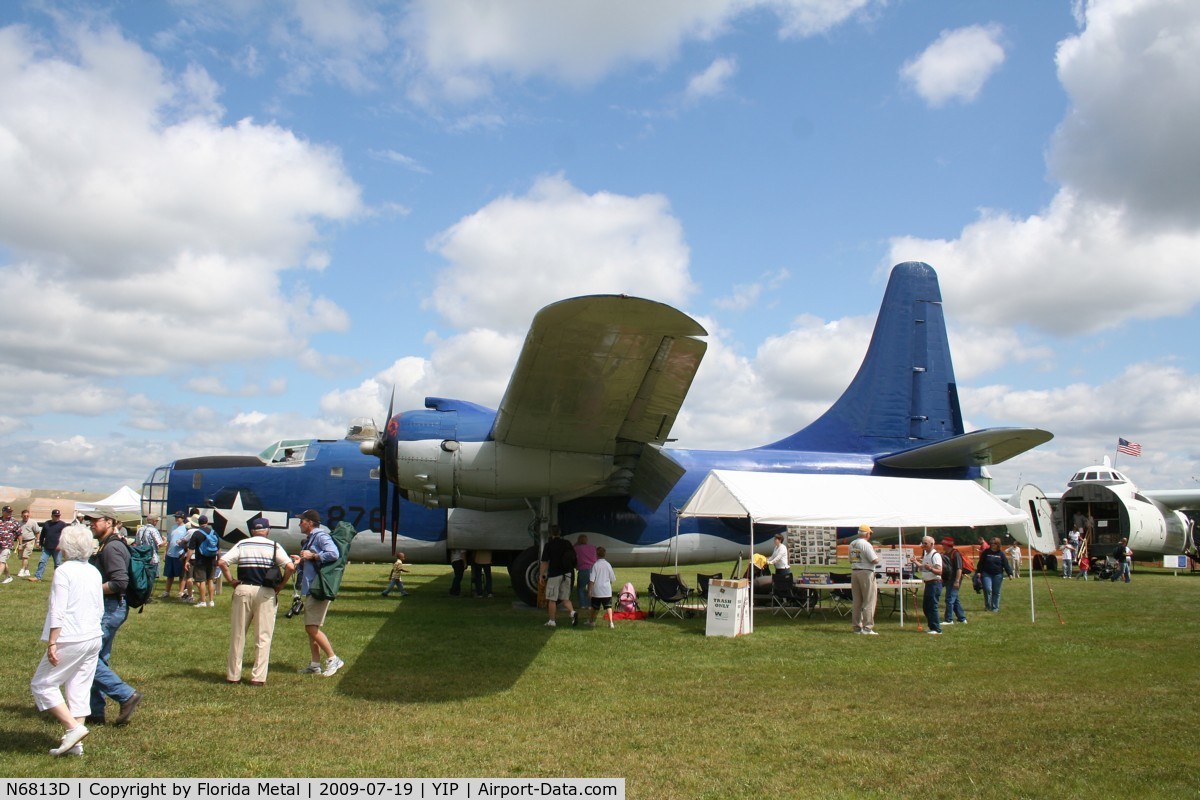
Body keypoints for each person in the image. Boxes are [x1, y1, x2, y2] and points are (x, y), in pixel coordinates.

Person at [29, 524, 104, 757]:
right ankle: (76, 745)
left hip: (71, 637)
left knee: (42, 684)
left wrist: (52, 642)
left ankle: (74, 728)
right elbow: (98, 607)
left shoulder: (63, 571)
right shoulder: (93, 570)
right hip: (93, 636)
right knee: (79, 688)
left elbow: (57, 610)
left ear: (66, 546)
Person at [218, 518, 295, 685]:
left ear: (252, 531)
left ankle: (233, 675)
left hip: (243, 588)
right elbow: (289, 567)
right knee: (263, 636)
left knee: (238, 635)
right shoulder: (274, 546)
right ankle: (258, 677)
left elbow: (222, 562)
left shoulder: (242, 544)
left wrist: (231, 580)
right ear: (267, 530)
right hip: (266, 591)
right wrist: (281, 585)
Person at [84, 509, 142, 727]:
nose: (91, 524)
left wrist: (89, 590)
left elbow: (119, 583)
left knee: (87, 658)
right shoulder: (108, 544)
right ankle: (95, 712)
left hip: (110, 608)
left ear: (109, 522)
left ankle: (125, 695)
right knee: (99, 658)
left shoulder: (112, 547)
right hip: (110, 607)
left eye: (95, 521)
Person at [292, 509, 344, 677]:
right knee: (312, 627)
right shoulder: (312, 538)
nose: (300, 523)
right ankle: (315, 665)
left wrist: (313, 555)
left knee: (311, 627)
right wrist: (301, 560)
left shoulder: (321, 536)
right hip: (312, 587)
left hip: (318, 588)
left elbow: (333, 553)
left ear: (310, 522)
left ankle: (333, 658)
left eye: (302, 520)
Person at [539, 526, 577, 628]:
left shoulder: (549, 545)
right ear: (560, 533)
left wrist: (541, 575)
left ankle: (552, 621)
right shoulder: (567, 543)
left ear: (551, 534)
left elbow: (545, 562)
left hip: (555, 574)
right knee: (565, 598)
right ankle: (572, 612)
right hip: (567, 574)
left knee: (552, 599)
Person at [848, 524, 880, 635]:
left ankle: (857, 627)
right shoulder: (865, 544)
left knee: (857, 601)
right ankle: (867, 627)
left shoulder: (852, 543)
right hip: (866, 572)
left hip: (855, 571)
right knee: (869, 600)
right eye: (870, 533)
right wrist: (878, 557)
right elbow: (874, 560)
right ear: (867, 533)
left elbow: (851, 560)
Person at [184, 515, 217, 607]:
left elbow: (191, 549)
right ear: (207, 522)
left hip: (201, 561)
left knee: (202, 581)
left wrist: (187, 560)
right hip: (212, 559)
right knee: (210, 580)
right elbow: (218, 548)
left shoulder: (197, 534)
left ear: (198, 523)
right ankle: (211, 601)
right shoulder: (214, 532)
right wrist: (217, 559)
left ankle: (202, 601)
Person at [911, 536, 942, 634]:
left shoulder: (935, 555)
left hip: (934, 583)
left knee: (932, 606)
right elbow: (922, 567)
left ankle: (936, 629)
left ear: (932, 544)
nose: (923, 545)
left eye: (926, 543)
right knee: (926, 607)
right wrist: (915, 561)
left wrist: (931, 569)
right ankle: (931, 626)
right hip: (928, 583)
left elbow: (940, 571)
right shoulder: (926, 554)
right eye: (923, 543)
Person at [977, 536, 1014, 612]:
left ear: (998, 544)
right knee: (988, 589)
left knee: (996, 591)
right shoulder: (986, 552)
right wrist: (979, 572)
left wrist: (1010, 573)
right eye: (991, 543)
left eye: (995, 543)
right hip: (987, 574)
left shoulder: (1001, 554)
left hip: (998, 575)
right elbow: (981, 563)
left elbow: (1006, 564)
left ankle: (995, 607)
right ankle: (988, 606)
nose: (993, 544)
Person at [31, 509, 67, 581]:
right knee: (42, 561)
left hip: (57, 548)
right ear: (52, 516)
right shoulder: (47, 523)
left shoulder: (62, 524)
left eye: (58, 516)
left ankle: (58, 579)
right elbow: (42, 534)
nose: (57, 517)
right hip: (47, 547)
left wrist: (60, 545)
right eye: (55, 516)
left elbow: (65, 536)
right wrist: (40, 543)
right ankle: (37, 577)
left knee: (57, 564)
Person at [586, 546, 617, 629]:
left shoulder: (595, 565)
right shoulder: (608, 565)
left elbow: (592, 580)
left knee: (594, 607)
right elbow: (613, 578)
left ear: (597, 554)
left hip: (597, 591)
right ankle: (611, 622)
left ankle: (591, 621)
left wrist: (589, 591)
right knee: (608, 607)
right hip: (606, 590)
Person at [162, 512, 190, 600]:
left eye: (178, 518)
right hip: (170, 554)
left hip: (180, 555)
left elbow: (187, 543)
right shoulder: (173, 527)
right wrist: (165, 553)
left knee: (181, 575)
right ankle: (167, 592)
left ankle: (181, 592)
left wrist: (184, 551)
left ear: (182, 518)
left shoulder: (186, 528)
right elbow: (169, 541)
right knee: (169, 575)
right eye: (176, 517)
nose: (176, 519)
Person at [940, 537, 967, 626]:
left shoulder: (955, 554)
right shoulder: (946, 554)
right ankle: (962, 618)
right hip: (948, 579)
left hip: (954, 580)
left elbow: (959, 568)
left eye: (943, 544)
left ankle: (948, 619)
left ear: (947, 545)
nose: (942, 545)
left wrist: (957, 581)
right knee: (954, 599)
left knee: (949, 599)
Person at [134, 515, 164, 597]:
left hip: (141, 556)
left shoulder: (140, 529)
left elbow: (136, 542)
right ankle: (148, 595)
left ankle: (141, 593)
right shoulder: (153, 530)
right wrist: (165, 541)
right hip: (152, 557)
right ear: (154, 521)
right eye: (157, 521)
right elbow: (160, 543)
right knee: (151, 577)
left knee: (143, 577)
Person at [574, 534, 598, 610]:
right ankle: (591, 605)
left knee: (581, 588)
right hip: (593, 569)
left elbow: (572, 550)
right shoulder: (593, 547)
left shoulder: (576, 548)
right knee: (591, 589)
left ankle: (582, 605)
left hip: (583, 570)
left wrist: (576, 543)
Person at [17, 507, 41, 578]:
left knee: (25, 556)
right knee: (22, 557)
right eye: (24, 516)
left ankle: (22, 570)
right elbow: (19, 534)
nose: (26, 517)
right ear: (21, 516)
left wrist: (37, 541)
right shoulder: (19, 523)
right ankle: (27, 570)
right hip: (22, 541)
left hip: (30, 541)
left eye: (27, 516)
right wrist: (20, 544)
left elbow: (37, 532)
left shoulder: (32, 522)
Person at [0, 505, 18, 583]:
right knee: (2, 561)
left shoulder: (14, 521)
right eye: (8, 512)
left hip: (7, 545)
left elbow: (19, 533)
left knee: (2, 562)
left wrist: (20, 545)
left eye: (11, 512)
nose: (10, 513)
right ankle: (8, 576)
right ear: (3, 512)